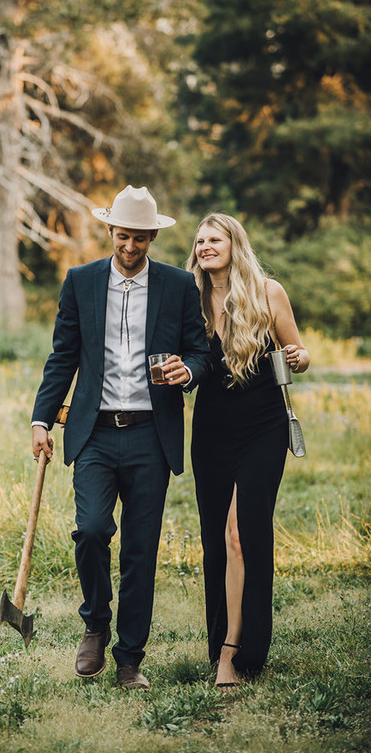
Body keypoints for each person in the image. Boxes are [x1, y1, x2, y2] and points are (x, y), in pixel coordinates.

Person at [32, 185, 210, 690]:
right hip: (93, 434)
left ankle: (130, 658)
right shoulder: (81, 281)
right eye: (122, 236)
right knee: (90, 530)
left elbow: (200, 352)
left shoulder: (178, 286)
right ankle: (94, 623)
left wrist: (187, 371)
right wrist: (41, 419)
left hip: (152, 437)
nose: (130, 247)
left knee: (139, 550)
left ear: (153, 236)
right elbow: (62, 355)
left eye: (140, 239)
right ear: (110, 231)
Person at [186, 213, 310, 687]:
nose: (205, 247)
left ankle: (234, 651)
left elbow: (299, 352)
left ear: (235, 243)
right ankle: (221, 636)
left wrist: (299, 356)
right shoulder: (189, 297)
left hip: (263, 426)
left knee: (242, 533)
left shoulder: (266, 292)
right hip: (211, 431)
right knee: (216, 538)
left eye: (214, 239)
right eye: (199, 240)